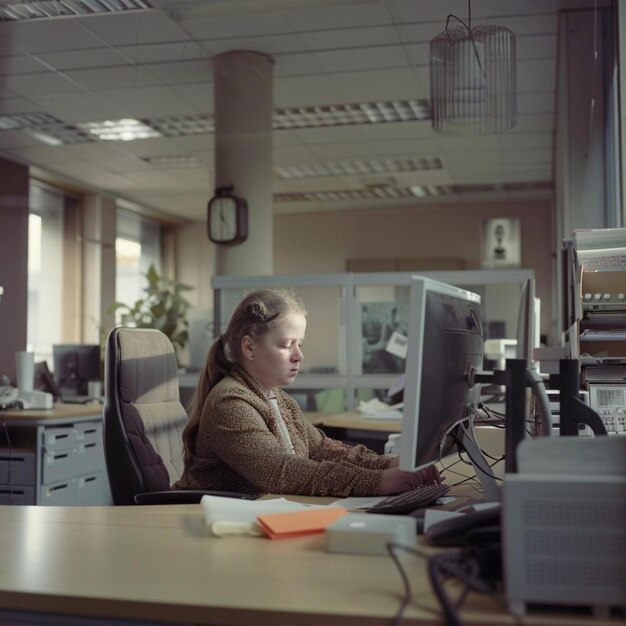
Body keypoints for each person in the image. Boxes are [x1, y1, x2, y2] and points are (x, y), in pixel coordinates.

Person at [174, 288, 439, 497]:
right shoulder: (230, 401)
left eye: (300, 344)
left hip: (260, 518)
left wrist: (388, 464)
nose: (299, 355)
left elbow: (323, 449)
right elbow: (280, 472)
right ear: (249, 348)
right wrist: (376, 482)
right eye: (287, 345)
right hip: (214, 528)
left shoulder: (280, 400)